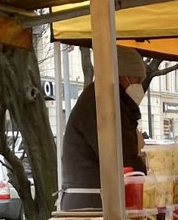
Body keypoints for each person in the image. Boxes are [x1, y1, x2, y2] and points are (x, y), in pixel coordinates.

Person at [60, 46, 147, 210]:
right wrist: (150, 175)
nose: (140, 86)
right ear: (123, 77)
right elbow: (122, 158)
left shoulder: (102, 99)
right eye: (137, 79)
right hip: (92, 204)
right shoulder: (103, 104)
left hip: (90, 200)